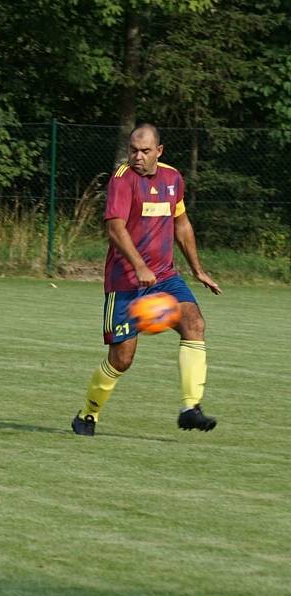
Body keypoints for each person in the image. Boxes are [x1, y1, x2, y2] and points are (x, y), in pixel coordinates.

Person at [71, 124, 222, 436]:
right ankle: (88, 414)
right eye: (133, 150)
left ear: (159, 151)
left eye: (145, 151)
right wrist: (139, 266)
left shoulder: (173, 178)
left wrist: (197, 268)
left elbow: (181, 224)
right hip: (125, 281)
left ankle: (190, 408)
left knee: (194, 324)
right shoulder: (122, 180)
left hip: (165, 276)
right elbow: (115, 229)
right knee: (122, 358)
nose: (137, 157)